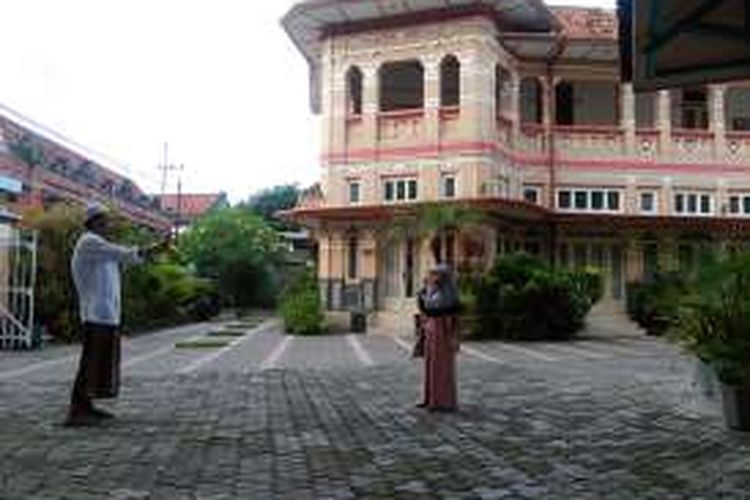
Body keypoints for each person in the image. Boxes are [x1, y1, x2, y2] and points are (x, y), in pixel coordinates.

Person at [65, 202, 170, 427]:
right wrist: (153, 248)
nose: (109, 224)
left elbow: (123, 259)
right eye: (105, 220)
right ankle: (77, 411)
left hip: (106, 314)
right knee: (91, 363)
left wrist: (146, 254)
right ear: (94, 222)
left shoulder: (99, 246)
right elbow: (122, 254)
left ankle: (87, 406)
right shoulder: (89, 242)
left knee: (98, 363)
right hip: (96, 314)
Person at [416, 264, 461, 412]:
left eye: (435, 274)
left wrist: (425, 297)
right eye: (432, 274)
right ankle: (431, 399)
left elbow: (435, 309)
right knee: (431, 365)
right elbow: (425, 308)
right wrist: (423, 294)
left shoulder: (447, 292)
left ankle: (443, 401)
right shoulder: (432, 290)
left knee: (441, 367)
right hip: (432, 331)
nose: (432, 277)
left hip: (443, 332)